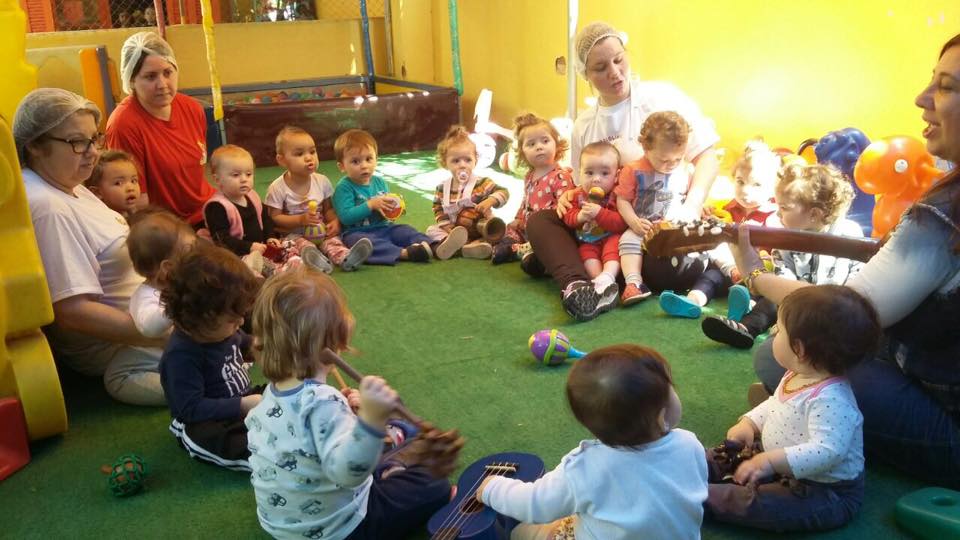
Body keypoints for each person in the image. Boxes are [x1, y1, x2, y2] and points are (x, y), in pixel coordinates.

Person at [734, 33, 960, 486]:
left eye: (946, 86)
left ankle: (818, 432)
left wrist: (754, 273)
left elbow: (839, 315)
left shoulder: (945, 215)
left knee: (785, 354)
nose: (922, 99)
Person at [526, 21, 721, 320]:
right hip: (601, 223)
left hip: (652, 222)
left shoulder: (663, 97)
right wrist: (569, 195)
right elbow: (581, 181)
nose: (615, 73)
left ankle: (579, 268)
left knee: (663, 266)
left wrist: (692, 204)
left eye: (619, 60)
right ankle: (578, 285)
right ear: (585, 74)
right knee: (540, 222)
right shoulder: (584, 125)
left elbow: (707, 156)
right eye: (600, 68)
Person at [246, 268, 452, 539]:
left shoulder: (270, 397)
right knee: (434, 485)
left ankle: (392, 464)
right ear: (331, 347)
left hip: (281, 525)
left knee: (388, 446)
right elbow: (350, 474)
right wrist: (371, 420)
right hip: (344, 528)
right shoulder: (323, 402)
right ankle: (396, 467)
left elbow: (306, 443)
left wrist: (348, 415)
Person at [13, 88, 167, 406]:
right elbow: (73, 313)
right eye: (77, 142)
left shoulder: (70, 185)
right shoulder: (48, 206)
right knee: (223, 354)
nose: (93, 152)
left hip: (146, 320)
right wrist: (166, 334)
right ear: (35, 146)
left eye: (94, 139)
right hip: (120, 346)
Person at [476, 344, 707, 540]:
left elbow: (535, 504)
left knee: (522, 529)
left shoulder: (584, 468)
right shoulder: (690, 444)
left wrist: (492, 488)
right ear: (662, 418)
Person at [706, 286, 881, 531]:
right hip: (774, 459)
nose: (773, 332)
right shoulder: (798, 374)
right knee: (728, 454)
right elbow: (775, 403)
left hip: (822, 490)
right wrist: (750, 422)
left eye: (778, 330)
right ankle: (689, 462)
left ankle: (700, 497)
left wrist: (771, 461)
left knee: (761, 505)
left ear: (799, 350)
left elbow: (827, 451)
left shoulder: (832, 399)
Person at [703, 163, 862, 349]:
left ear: (814, 214)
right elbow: (782, 280)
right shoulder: (785, 239)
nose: (777, 213)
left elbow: (859, 277)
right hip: (797, 305)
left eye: (784, 207)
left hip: (838, 313)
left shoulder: (850, 234)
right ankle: (746, 328)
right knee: (771, 300)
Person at [159, 242, 263, 471]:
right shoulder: (180, 356)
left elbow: (245, 343)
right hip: (207, 420)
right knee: (208, 436)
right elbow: (190, 408)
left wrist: (263, 347)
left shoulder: (220, 330)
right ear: (203, 317)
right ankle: (265, 457)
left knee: (279, 390)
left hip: (242, 398)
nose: (241, 322)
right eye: (232, 319)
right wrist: (241, 405)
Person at [657, 140, 780, 318]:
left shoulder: (774, 216)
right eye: (740, 181)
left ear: (773, 189)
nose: (745, 191)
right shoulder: (726, 209)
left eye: (757, 185)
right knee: (709, 277)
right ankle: (692, 302)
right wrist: (706, 214)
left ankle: (744, 307)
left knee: (756, 288)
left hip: (756, 274)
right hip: (726, 270)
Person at [105, 31, 215, 226]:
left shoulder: (192, 108)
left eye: (167, 73)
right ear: (132, 80)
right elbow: (135, 202)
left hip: (208, 210)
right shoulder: (124, 124)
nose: (162, 84)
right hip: (167, 225)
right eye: (150, 77)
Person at [267, 127, 373, 272]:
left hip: (321, 232)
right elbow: (275, 218)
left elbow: (328, 209)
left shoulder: (322, 181)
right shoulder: (277, 188)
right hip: (294, 234)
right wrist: (300, 220)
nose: (309, 158)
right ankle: (315, 261)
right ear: (282, 160)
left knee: (334, 242)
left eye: (312, 152)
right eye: (299, 154)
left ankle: (346, 258)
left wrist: (334, 221)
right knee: (299, 246)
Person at [615, 111, 694, 305]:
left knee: (710, 235)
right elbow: (622, 200)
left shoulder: (685, 170)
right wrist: (633, 222)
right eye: (664, 160)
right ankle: (634, 283)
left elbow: (690, 197)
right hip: (644, 227)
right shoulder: (633, 170)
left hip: (674, 227)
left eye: (678, 158)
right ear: (645, 147)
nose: (672, 165)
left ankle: (730, 270)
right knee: (627, 241)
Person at [331, 129, 433, 264]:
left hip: (384, 228)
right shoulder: (344, 187)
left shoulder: (380, 182)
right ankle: (405, 253)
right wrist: (370, 205)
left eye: (369, 159)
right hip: (357, 232)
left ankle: (433, 246)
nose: (364, 166)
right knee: (363, 245)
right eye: (355, 161)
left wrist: (394, 209)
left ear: (376, 160)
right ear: (342, 166)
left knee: (405, 230)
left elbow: (385, 211)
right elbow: (345, 217)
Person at [492, 113, 575, 268]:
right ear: (522, 152)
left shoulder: (560, 176)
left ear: (557, 144)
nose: (539, 147)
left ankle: (521, 252)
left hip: (547, 229)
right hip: (527, 227)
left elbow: (564, 209)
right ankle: (509, 245)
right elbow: (525, 201)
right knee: (510, 229)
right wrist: (519, 218)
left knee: (545, 242)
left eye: (545, 141)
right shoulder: (529, 176)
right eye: (531, 144)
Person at [427, 125, 510, 259]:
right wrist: (446, 225)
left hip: (480, 229)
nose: (462, 165)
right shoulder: (442, 188)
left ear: (475, 161)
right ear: (445, 163)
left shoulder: (482, 183)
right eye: (456, 161)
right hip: (454, 231)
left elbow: (504, 192)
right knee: (431, 230)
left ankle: (469, 246)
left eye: (468, 160)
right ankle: (459, 246)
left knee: (498, 234)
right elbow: (437, 208)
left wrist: (491, 200)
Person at [562, 142, 627, 308]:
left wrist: (600, 213)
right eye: (589, 173)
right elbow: (568, 217)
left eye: (604, 173)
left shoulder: (616, 196)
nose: (596, 179)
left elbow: (621, 223)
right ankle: (599, 283)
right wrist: (579, 217)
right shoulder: (577, 195)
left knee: (614, 247)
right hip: (587, 240)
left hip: (610, 236)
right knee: (586, 254)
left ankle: (608, 276)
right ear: (580, 173)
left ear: (616, 176)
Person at [127, 210, 196, 340]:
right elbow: (149, 328)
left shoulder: (181, 285)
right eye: (190, 255)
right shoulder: (144, 297)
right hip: (161, 353)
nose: (197, 259)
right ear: (167, 267)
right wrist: (175, 306)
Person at [84, 149, 142, 220]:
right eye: (118, 183)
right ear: (97, 192)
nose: (131, 188)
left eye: (133, 181)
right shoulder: (101, 221)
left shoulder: (137, 218)